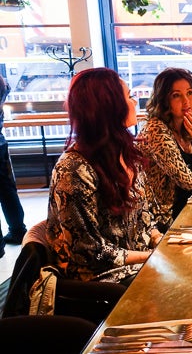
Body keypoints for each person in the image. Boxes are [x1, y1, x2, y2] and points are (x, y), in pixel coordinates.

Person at [46, 68, 162, 284]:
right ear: (109, 107)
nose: (135, 102)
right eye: (129, 96)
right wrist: (150, 257)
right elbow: (89, 251)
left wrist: (160, 241)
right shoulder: (73, 169)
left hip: (137, 264)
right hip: (101, 279)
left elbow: (145, 218)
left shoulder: (125, 153)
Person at [137, 67, 192, 231]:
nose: (186, 101)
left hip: (189, 205)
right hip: (164, 221)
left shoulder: (186, 123)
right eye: (176, 95)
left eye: (189, 93)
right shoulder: (156, 130)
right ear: (164, 99)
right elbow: (186, 180)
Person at [0, 75, 27, 256]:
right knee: (6, 189)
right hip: (0, 141)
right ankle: (18, 230)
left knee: (6, 189)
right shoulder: (2, 82)